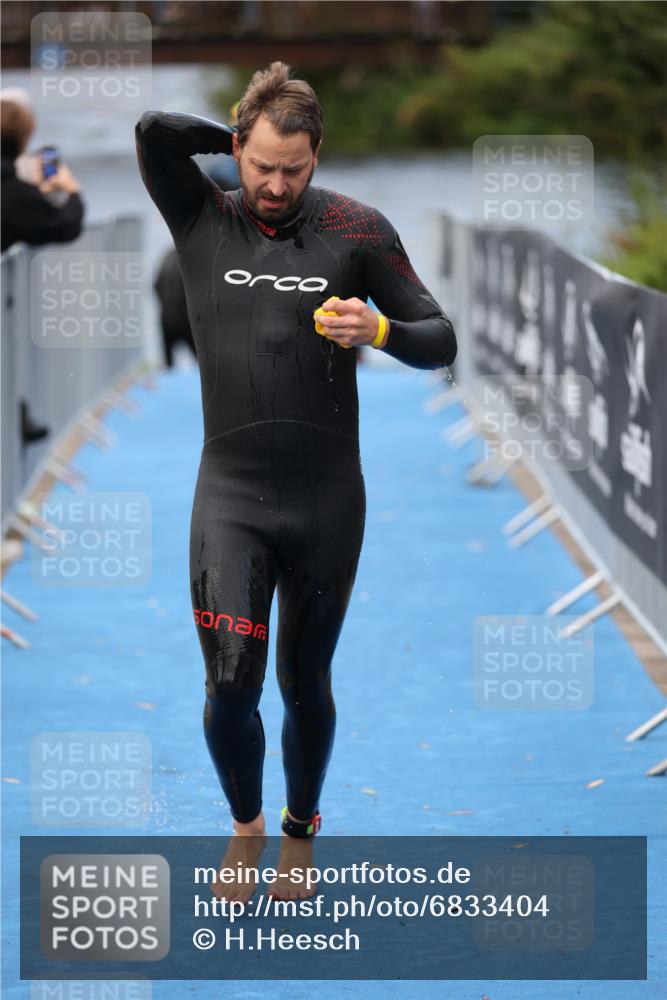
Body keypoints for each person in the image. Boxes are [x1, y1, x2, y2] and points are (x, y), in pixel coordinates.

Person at [135, 61, 456, 903]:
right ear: (239, 149)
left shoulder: (356, 229)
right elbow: (151, 134)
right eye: (261, 164)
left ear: (318, 159)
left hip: (325, 500)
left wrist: (380, 327)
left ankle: (300, 833)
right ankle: (244, 826)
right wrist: (234, 130)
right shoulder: (202, 214)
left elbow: (440, 338)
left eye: (295, 169)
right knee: (230, 685)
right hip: (230, 498)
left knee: (303, 682)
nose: (275, 185)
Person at [0, 90, 85, 253]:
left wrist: (35, 191)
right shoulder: (15, 193)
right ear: (27, 134)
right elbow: (65, 227)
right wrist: (73, 190)